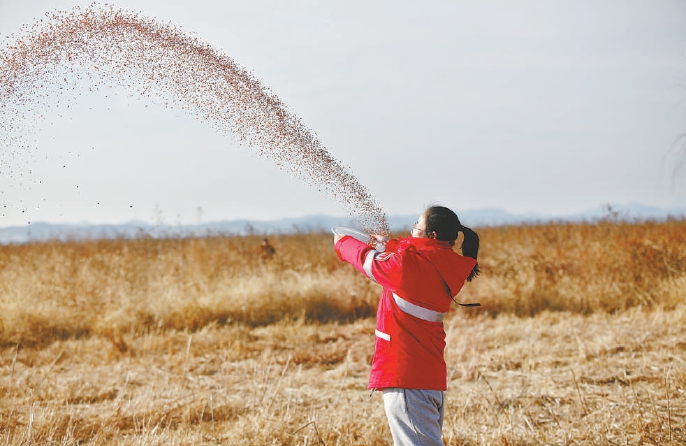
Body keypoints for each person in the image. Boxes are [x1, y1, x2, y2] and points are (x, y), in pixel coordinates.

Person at [334, 205, 480, 445]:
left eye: (417, 226)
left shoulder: (409, 266)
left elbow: (372, 263)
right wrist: (388, 245)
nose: (412, 229)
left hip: (407, 378)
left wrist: (343, 243)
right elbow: (414, 257)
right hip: (426, 380)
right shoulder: (444, 263)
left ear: (431, 235)